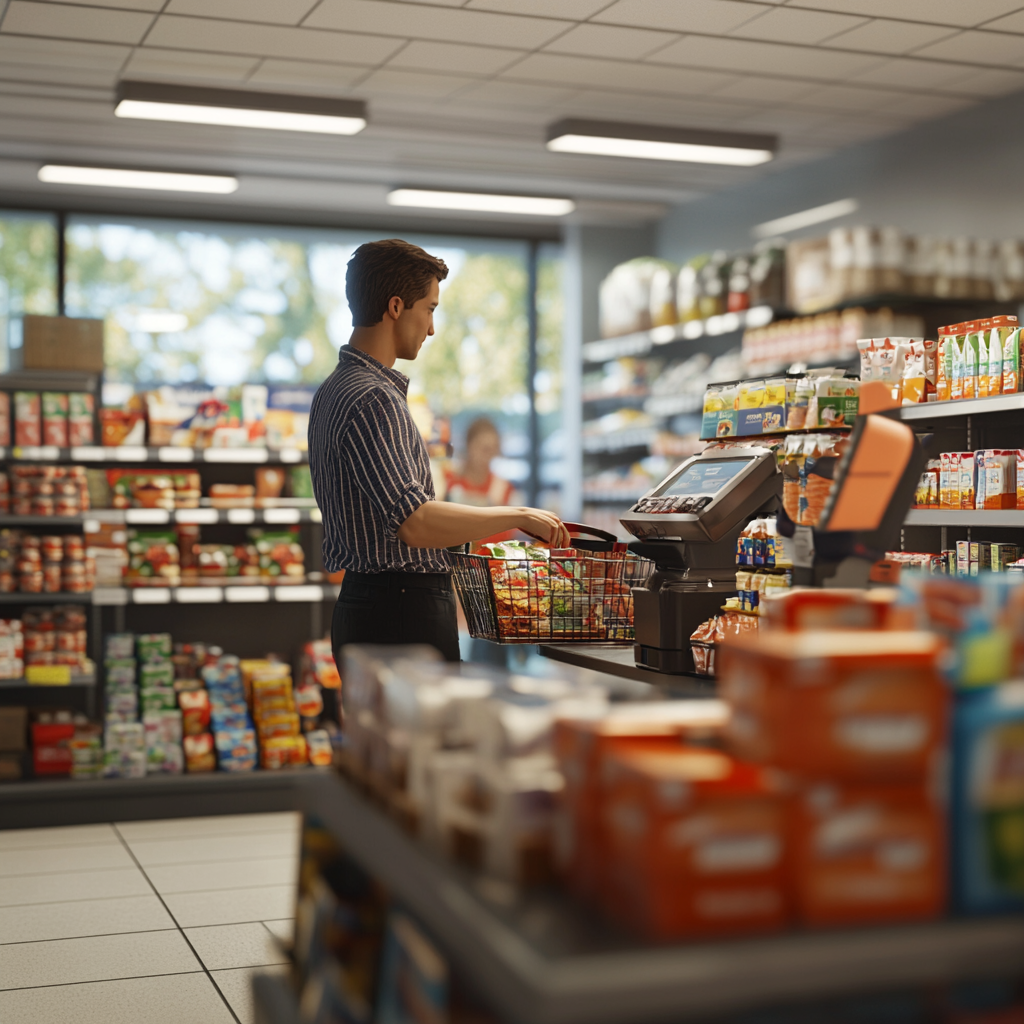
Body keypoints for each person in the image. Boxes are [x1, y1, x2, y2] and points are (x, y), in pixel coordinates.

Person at [308, 239, 570, 666]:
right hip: (400, 612)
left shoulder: (333, 391)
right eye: (429, 309)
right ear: (396, 306)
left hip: (365, 605)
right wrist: (520, 516)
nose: (431, 328)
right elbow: (416, 521)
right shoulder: (374, 398)